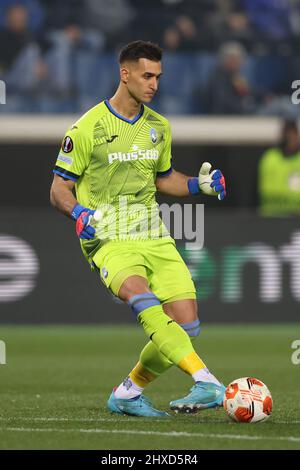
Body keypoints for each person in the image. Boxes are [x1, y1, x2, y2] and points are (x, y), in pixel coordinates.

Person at [50, 40, 226, 417]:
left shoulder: (159, 128)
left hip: (153, 234)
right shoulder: (87, 128)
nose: (154, 85)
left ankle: (128, 393)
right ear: (124, 73)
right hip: (108, 237)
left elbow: (164, 179)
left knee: (186, 324)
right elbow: (58, 190)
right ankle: (207, 380)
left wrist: (199, 185)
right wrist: (78, 212)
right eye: (147, 75)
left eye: (158, 77)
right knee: (141, 298)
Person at [258, 119, 300, 216]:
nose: (290, 138)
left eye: (293, 133)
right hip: (271, 217)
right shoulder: (269, 158)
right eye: (287, 134)